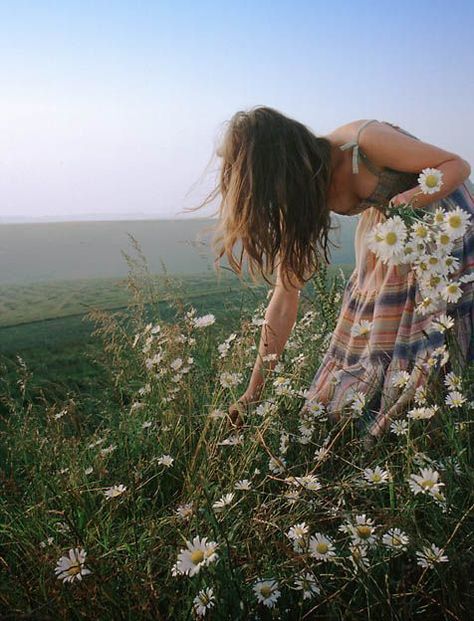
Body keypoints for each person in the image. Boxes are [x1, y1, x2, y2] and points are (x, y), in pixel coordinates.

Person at [195, 106, 473, 442]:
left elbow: (456, 166)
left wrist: (405, 204)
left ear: (282, 164)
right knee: (375, 335)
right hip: (389, 239)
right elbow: (284, 300)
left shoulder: (363, 141)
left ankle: (439, 423)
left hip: (444, 226)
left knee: (432, 331)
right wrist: (252, 394)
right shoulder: (299, 194)